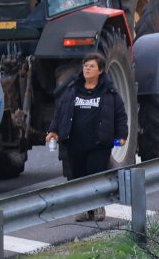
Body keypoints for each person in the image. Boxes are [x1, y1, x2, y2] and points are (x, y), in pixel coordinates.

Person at [46, 54, 129, 222]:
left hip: (99, 144)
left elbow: (120, 115)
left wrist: (122, 135)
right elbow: (61, 112)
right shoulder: (72, 90)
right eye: (85, 65)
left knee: (95, 175)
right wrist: (53, 130)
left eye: (91, 66)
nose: (87, 69)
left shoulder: (109, 93)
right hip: (75, 142)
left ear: (100, 70)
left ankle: (98, 208)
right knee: (79, 177)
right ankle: (84, 209)